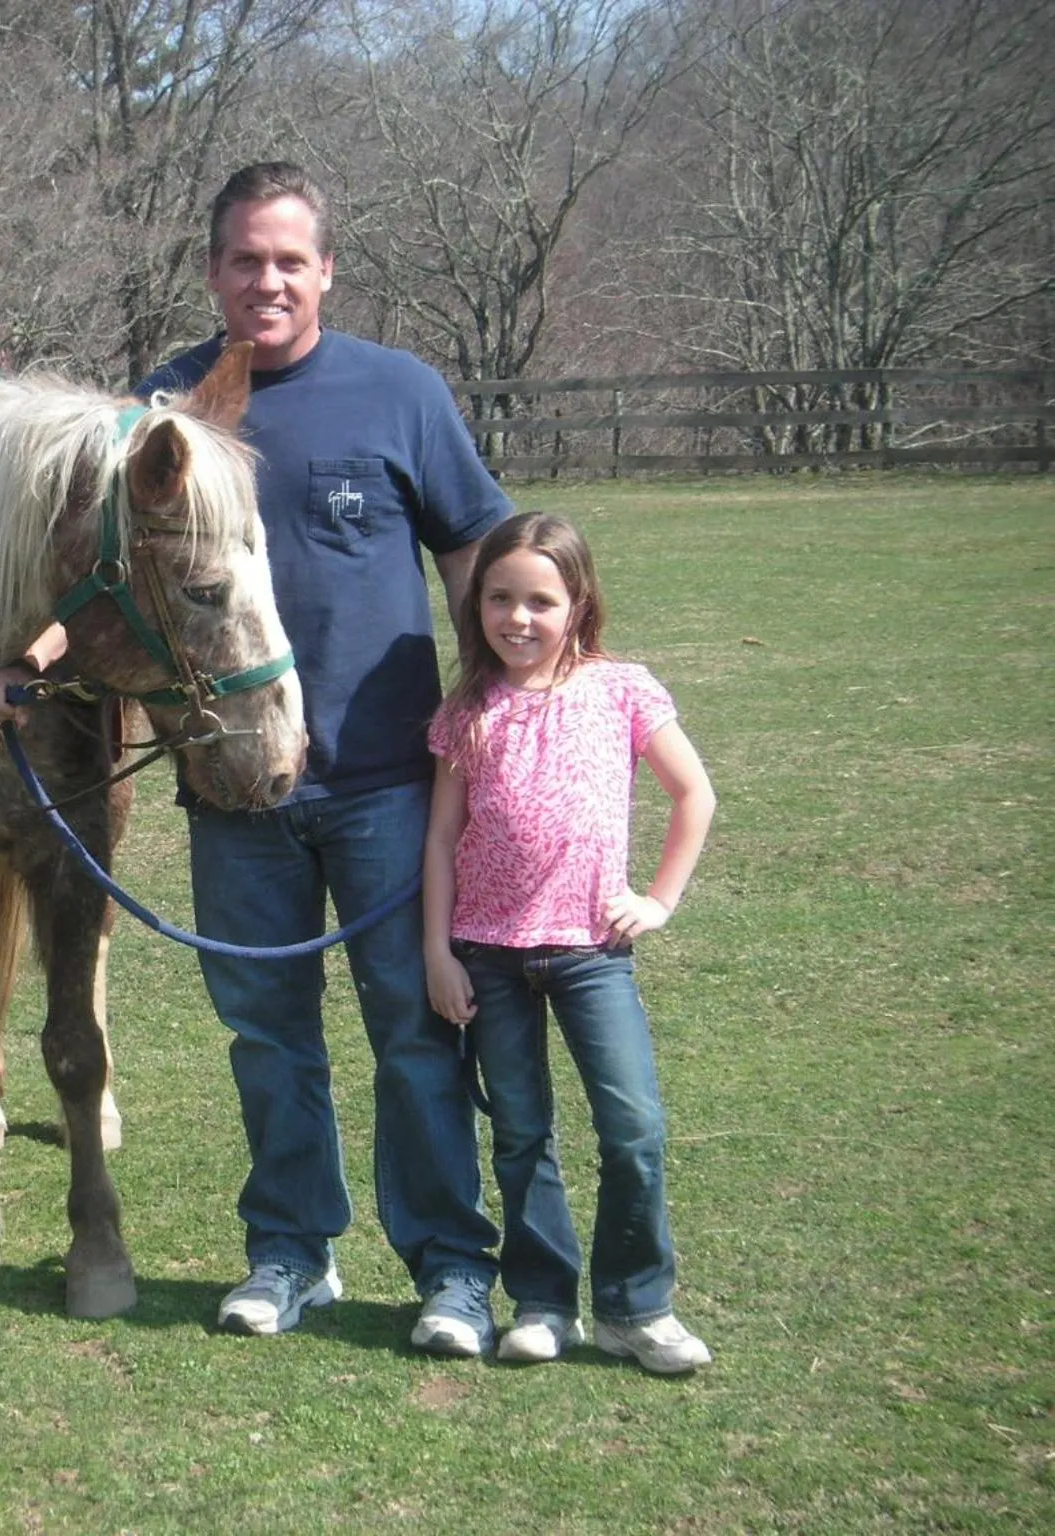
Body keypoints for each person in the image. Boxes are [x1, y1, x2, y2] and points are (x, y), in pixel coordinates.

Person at [133, 163, 513, 1351]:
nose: (266, 281)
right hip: (231, 785)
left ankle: (451, 1269)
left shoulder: (398, 393)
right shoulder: (166, 403)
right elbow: (120, 580)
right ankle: (290, 1254)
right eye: (244, 259)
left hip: (387, 782)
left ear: (326, 270)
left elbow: (473, 551)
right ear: (210, 272)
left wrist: (488, 705)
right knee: (266, 1034)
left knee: (413, 1027)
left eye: (289, 260)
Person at [422, 513, 716, 1374]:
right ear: (476, 607)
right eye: (500, 599)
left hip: (591, 951)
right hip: (488, 955)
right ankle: (543, 1302)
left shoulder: (623, 689)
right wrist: (438, 953)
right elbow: (440, 839)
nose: (518, 618)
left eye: (540, 601)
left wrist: (657, 900)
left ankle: (636, 1307)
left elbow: (693, 794)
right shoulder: (466, 711)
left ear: (578, 603)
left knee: (633, 1128)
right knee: (520, 1133)